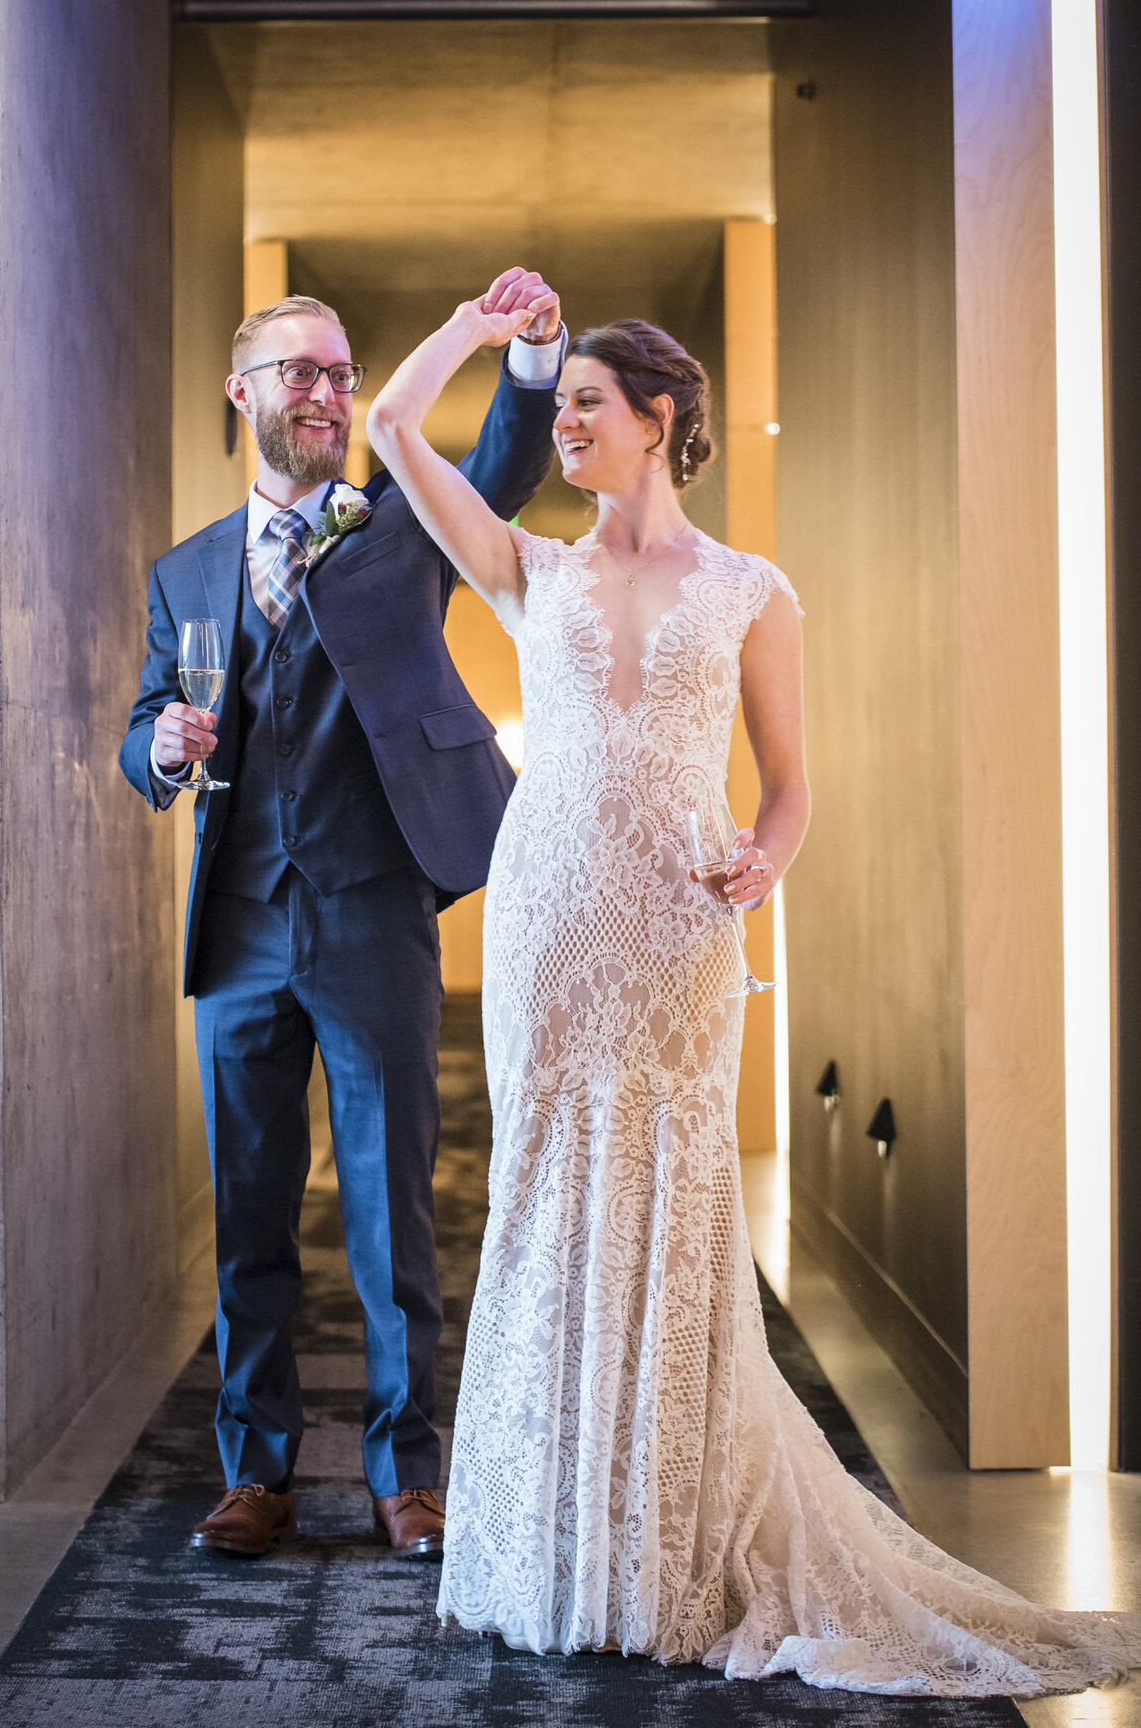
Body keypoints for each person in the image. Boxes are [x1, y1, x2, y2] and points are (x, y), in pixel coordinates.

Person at [364, 295, 1141, 1693]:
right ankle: (548, 1548)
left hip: (677, 934)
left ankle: (662, 1551)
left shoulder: (751, 591)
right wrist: (484, 326)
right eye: (566, 404)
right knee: (543, 1191)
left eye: (588, 402)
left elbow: (788, 792)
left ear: (659, 419)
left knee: (670, 1200)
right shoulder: (527, 570)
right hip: (548, 926)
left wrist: (762, 865)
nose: (566, 423)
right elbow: (390, 427)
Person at [120, 269, 564, 1561]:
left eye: (340, 370)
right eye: (300, 371)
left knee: (390, 1212)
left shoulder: (400, 523)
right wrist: (164, 745)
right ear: (243, 392)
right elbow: (145, 723)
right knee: (250, 1215)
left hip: (375, 911)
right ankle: (257, 1474)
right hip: (243, 925)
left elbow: (501, 460)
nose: (325, 390)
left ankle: (406, 1472)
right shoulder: (186, 571)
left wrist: (532, 353)